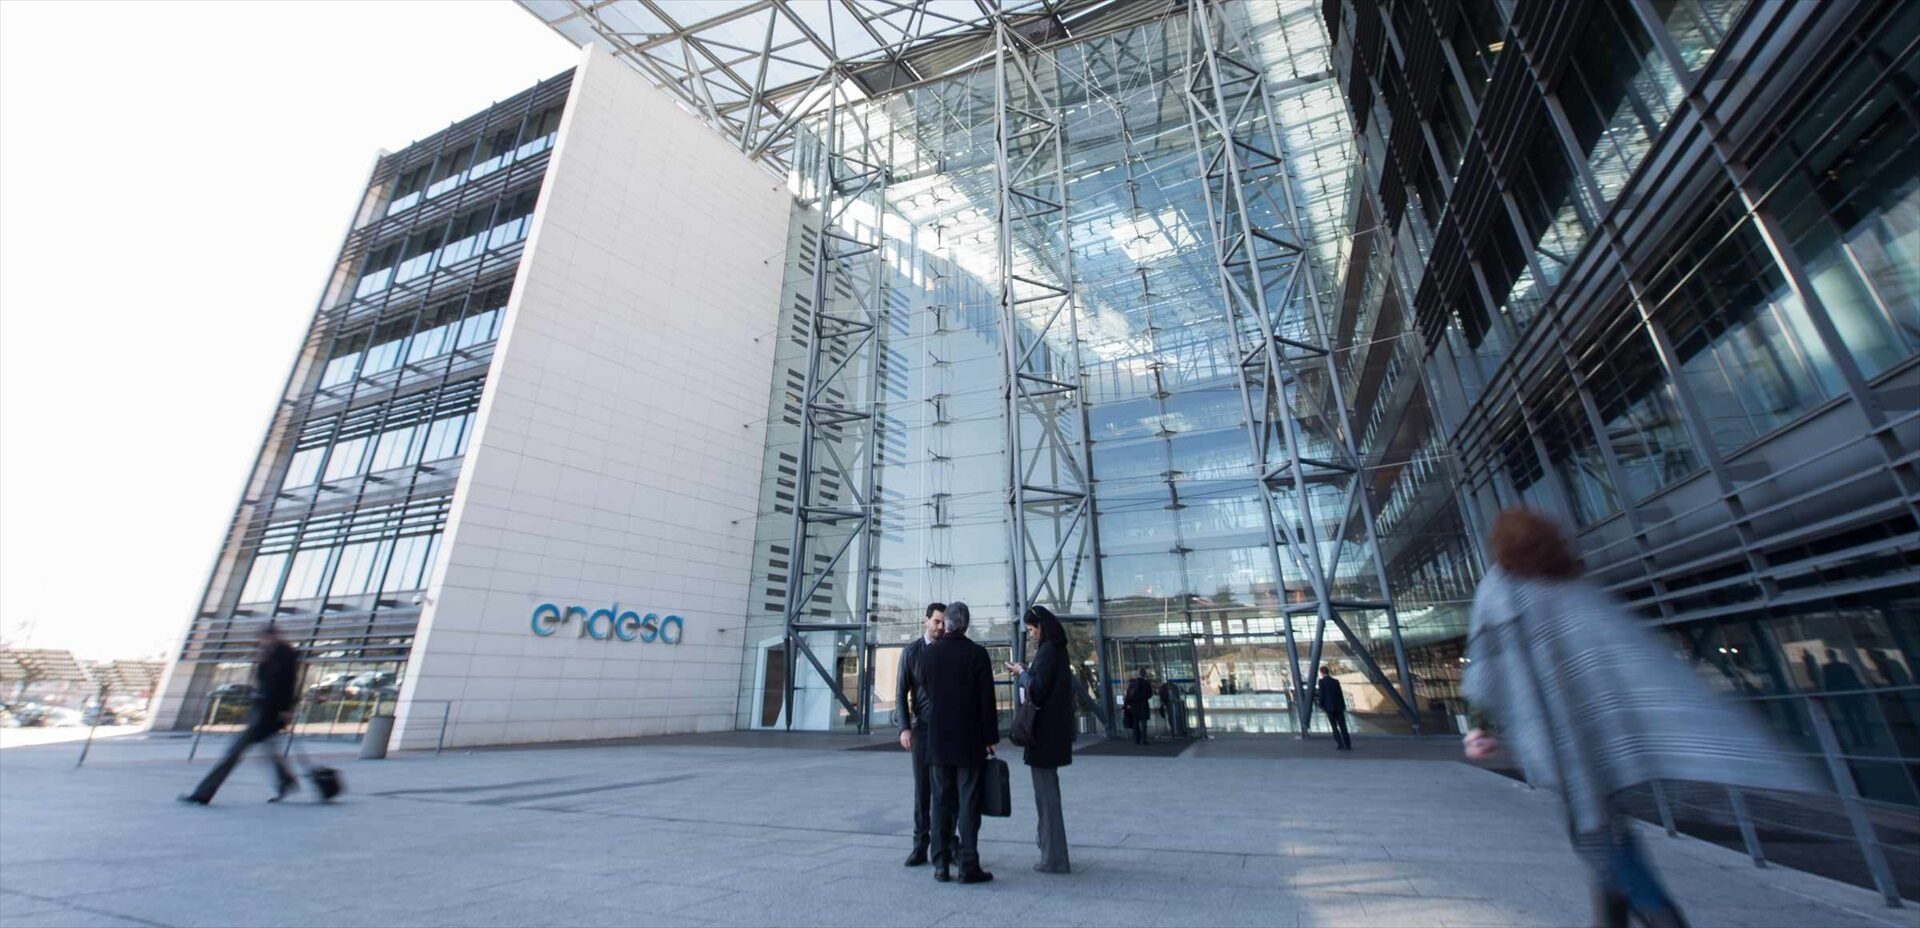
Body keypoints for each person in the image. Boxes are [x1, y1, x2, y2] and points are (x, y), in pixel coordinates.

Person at [1462, 508, 1822, 928]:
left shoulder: (1500, 591)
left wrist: (1480, 725)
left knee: (1597, 837)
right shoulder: (1572, 589)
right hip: (1607, 735)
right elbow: (1626, 659)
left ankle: (1662, 916)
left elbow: (1487, 665)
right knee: (1603, 830)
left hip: (1564, 739)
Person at [179, 624, 301, 805]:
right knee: (269, 751)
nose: (261, 641)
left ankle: (203, 794)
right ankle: (286, 781)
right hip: (263, 711)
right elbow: (265, 682)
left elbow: (289, 685)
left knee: (233, 754)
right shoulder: (270, 654)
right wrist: (262, 660)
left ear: (273, 636)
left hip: (269, 713)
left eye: (264, 638)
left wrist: (286, 709)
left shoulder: (285, 655)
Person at [920, 601, 997, 884]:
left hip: (938, 740)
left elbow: (927, 690)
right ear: (966, 624)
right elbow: (986, 701)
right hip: (969, 741)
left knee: (939, 803)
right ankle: (968, 865)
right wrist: (990, 738)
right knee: (968, 803)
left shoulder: (930, 654)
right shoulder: (977, 654)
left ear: (948, 623)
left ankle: (940, 865)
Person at [1006, 605, 1073, 874]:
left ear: (1042, 626)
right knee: (1047, 795)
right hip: (1053, 735)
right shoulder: (1058, 650)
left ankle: (1053, 857)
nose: (1032, 633)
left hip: (1043, 736)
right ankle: (1051, 852)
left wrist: (1022, 674)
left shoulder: (1048, 651)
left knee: (1046, 798)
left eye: (1033, 628)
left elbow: (1037, 688)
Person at [896, 602, 948, 867]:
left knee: (946, 789)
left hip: (947, 730)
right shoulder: (911, 652)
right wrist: (904, 727)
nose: (941, 627)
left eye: (944, 623)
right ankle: (920, 846)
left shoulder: (949, 649)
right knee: (922, 790)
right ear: (925, 621)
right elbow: (901, 691)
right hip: (922, 729)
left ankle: (948, 844)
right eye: (937, 621)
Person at [1317, 665, 1351, 750]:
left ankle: (1340, 744)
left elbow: (1322, 694)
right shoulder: (1335, 681)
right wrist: (1343, 705)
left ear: (1321, 673)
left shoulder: (1321, 682)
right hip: (1339, 707)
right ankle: (1348, 744)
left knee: (1334, 726)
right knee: (1343, 726)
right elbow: (1340, 694)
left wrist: (1321, 705)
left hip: (1329, 708)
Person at [1124, 667, 1153, 745]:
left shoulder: (1133, 683)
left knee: (1135, 723)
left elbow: (1128, 695)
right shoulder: (1146, 683)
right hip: (1143, 704)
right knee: (1144, 724)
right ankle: (1143, 740)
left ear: (1138, 674)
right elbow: (1149, 694)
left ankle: (1136, 739)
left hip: (1134, 706)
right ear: (1144, 674)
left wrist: (1127, 704)